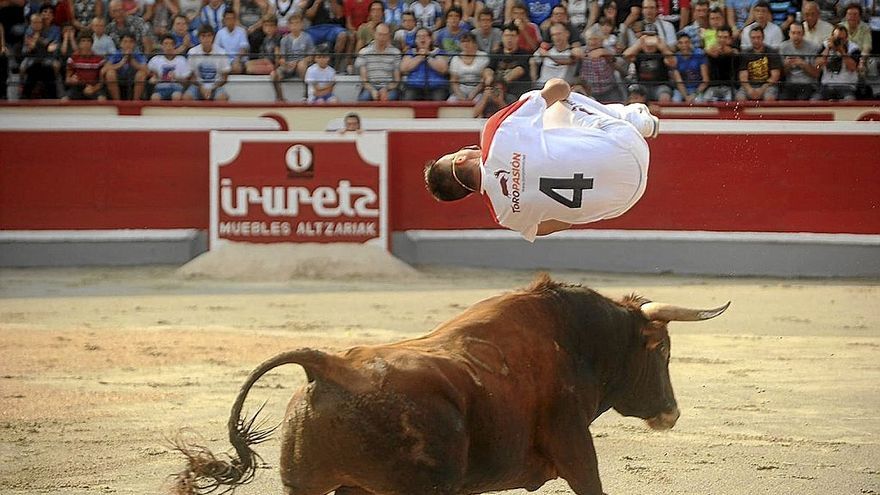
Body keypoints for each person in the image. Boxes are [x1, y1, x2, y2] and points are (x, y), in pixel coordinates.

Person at [424, 78, 658, 241]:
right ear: (461, 159)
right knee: (550, 102)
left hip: (626, 199)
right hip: (628, 146)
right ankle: (631, 118)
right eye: (455, 153)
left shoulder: (505, 216)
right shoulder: (495, 132)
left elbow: (562, 224)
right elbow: (560, 87)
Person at [622, 23, 677, 102]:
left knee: (664, 97)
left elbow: (673, 62)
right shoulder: (638, 51)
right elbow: (625, 56)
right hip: (642, 85)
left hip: (660, 85)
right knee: (635, 96)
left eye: (651, 37)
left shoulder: (662, 51)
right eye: (647, 36)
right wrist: (639, 43)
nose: (649, 41)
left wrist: (661, 46)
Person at [356, 22, 402, 101]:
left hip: (389, 87)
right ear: (374, 34)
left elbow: (396, 80)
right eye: (380, 34)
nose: (382, 38)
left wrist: (385, 89)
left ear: (388, 36)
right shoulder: (364, 52)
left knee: (390, 98)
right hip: (369, 87)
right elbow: (364, 79)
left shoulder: (396, 53)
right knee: (364, 98)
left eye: (385, 35)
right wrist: (373, 90)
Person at [483, 23, 532, 98]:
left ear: (517, 37)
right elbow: (489, 68)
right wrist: (489, 76)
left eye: (512, 36)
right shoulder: (496, 53)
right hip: (496, 91)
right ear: (502, 37)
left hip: (516, 92)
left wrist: (499, 84)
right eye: (506, 36)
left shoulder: (524, 54)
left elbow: (519, 71)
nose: (509, 39)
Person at [400, 27, 450, 100]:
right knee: (408, 97)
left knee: (439, 99)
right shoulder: (410, 52)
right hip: (414, 86)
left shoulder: (439, 52)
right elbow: (403, 68)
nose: (422, 38)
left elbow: (443, 69)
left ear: (430, 39)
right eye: (419, 36)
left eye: (425, 36)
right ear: (416, 40)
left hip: (437, 86)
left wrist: (428, 56)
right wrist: (419, 57)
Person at [575, 26, 623, 102]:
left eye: (596, 39)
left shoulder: (608, 50)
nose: (593, 42)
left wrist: (606, 54)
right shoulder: (582, 51)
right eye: (590, 39)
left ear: (602, 40)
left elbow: (621, 67)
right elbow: (573, 53)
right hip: (589, 91)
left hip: (609, 89)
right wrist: (574, 51)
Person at [185, 25, 231, 100]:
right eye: (203, 36)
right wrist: (201, 87)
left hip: (216, 86)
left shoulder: (221, 52)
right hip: (198, 86)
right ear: (199, 38)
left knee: (222, 98)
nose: (206, 39)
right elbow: (192, 76)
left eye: (209, 36)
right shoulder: (192, 52)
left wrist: (213, 88)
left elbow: (225, 77)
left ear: (213, 37)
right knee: (186, 97)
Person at [736, 25, 782, 100]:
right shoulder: (745, 54)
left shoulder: (772, 52)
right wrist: (749, 89)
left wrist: (761, 89)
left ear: (763, 38)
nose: (756, 40)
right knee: (740, 98)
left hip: (768, 86)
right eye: (753, 38)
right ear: (750, 39)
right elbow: (743, 76)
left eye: (758, 37)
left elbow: (775, 76)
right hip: (749, 85)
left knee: (769, 98)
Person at [816, 24, 861, 100]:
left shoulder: (854, 48)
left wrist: (842, 51)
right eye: (837, 38)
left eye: (841, 39)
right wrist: (827, 49)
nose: (839, 41)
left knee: (849, 100)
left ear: (846, 38)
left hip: (846, 85)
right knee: (815, 100)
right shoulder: (825, 45)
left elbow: (852, 68)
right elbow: (817, 64)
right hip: (827, 85)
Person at [778, 22, 820, 100]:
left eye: (799, 33)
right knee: (782, 100)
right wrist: (787, 66)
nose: (796, 36)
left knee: (802, 99)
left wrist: (803, 64)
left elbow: (816, 73)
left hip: (808, 84)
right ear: (789, 34)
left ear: (803, 34)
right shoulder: (783, 47)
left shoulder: (813, 47)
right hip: (789, 84)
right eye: (793, 33)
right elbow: (780, 75)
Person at [103, 31, 149, 100]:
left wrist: (133, 62)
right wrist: (121, 63)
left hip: (134, 80)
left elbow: (147, 70)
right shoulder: (116, 54)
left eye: (131, 42)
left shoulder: (138, 54)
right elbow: (104, 69)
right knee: (110, 73)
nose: (128, 44)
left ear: (134, 44)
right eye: (125, 42)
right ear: (121, 44)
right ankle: (117, 101)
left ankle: (135, 101)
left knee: (141, 74)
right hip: (119, 80)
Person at [63, 30, 106, 100]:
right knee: (64, 100)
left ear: (92, 43)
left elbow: (102, 82)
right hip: (77, 88)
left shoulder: (99, 59)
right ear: (79, 44)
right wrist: (72, 80)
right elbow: (67, 79)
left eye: (88, 41)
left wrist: (93, 89)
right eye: (83, 41)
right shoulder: (73, 58)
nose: (86, 43)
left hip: (93, 87)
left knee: (102, 99)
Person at [447, 31, 490, 101]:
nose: (465, 44)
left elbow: (484, 79)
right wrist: (460, 95)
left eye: (468, 41)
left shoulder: (483, 56)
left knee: (478, 101)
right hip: (461, 89)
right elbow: (454, 80)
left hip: (478, 89)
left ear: (474, 43)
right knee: (451, 101)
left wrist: (474, 93)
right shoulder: (455, 58)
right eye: (463, 42)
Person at [147, 34, 191, 100]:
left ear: (175, 46)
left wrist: (176, 78)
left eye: (171, 44)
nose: (168, 47)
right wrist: (153, 77)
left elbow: (186, 81)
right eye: (166, 44)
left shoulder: (181, 60)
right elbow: (148, 73)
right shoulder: (155, 59)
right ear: (162, 46)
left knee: (176, 96)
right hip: (160, 88)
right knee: (155, 97)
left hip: (176, 88)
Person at [702, 24, 738, 101]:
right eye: (719, 37)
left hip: (730, 87)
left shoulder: (734, 51)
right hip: (713, 87)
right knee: (705, 99)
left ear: (731, 39)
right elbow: (704, 51)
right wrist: (707, 51)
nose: (722, 40)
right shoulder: (711, 50)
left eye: (725, 37)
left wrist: (729, 52)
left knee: (729, 101)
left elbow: (736, 53)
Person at [671, 31, 708, 102]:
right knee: (675, 100)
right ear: (677, 45)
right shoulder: (675, 58)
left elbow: (705, 80)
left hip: (697, 89)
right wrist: (686, 97)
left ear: (690, 43)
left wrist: (694, 94)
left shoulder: (699, 55)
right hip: (681, 90)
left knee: (699, 101)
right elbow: (679, 81)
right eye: (681, 43)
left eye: (686, 42)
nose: (684, 45)